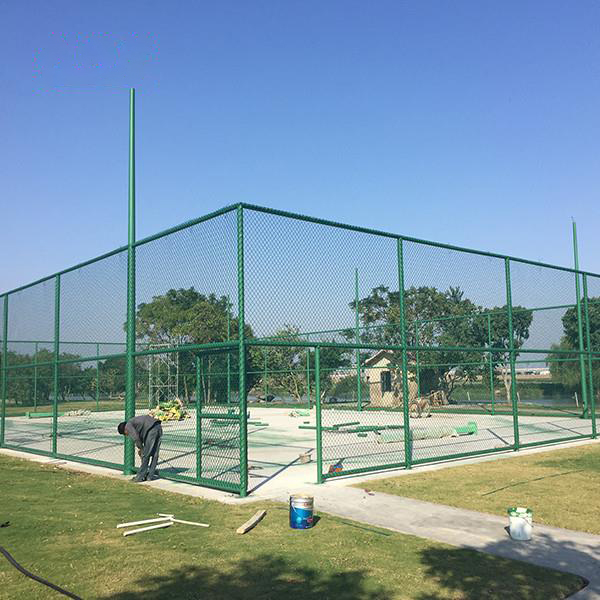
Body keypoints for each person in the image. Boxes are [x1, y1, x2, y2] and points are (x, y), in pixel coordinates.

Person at [117, 415, 163, 482]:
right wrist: (141, 448)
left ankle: (140, 477)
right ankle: (150, 476)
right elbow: (140, 437)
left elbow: (136, 438)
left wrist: (141, 449)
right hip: (158, 426)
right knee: (155, 454)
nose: (127, 435)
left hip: (151, 429)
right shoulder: (133, 423)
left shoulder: (128, 426)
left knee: (145, 454)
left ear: (124, 430)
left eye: (125, 434)